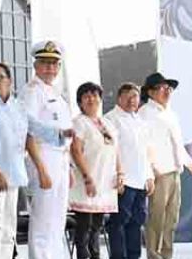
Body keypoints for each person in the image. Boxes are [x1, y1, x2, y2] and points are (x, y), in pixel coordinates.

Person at [0, 63, 73, 259]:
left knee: (9, 227)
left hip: (14, 174)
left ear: (9, 81)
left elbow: (34, 127)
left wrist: (60, 133)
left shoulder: (17, 106)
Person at [138, 73, 192, 259]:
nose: (167, 91)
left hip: (174, 171)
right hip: (159, 173)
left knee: (171, 219)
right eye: (161, 88)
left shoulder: (170, 113)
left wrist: (189, 162)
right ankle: (154, 254)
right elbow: (142, 146)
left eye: (169, 88)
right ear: (150, 92)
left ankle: (167, 254)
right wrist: (150, 171)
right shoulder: (145, 113)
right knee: (157, 217)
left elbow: (177, 143)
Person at [21, 41, 73, 259]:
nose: (50, 68)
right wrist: (41, 169)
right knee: (43, 219)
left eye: (54, 64)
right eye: (45, 63)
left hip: (60, 159)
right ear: (35, 65)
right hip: (43, 157)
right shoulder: (32, 92)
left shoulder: (57, 95)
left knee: (57, 218)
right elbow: (27, 131)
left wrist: (68, 166)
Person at [68, 83, 120, 259]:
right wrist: (87, 178)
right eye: (86, 96)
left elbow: (115, 151)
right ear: (80, 102)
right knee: (84, 226)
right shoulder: (78, 122)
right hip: (86, 182)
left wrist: (120, 174)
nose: (91, 99)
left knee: (97, 227)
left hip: (105, 183)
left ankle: (96, 256)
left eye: (95, 95)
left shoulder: (107, 123)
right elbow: (75, 150)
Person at [102, 83, 152, 259]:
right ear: (119, 98)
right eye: (128, 97)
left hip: (140, 180)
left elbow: (145, 152)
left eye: (136, 97)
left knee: (137, 222)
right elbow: (109, 152)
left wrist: (149, 176)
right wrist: (117, 175)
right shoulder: (110, 119)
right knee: (118, 223)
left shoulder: (140, 121)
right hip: (123, 181)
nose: (132, 100)